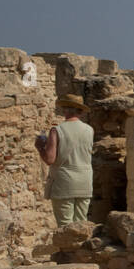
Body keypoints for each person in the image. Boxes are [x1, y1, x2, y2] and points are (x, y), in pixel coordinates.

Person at [37, 94, 95, 226]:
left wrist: (40, 147)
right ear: (80, 111)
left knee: (65, 226)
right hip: (85, 181)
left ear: (65, 109)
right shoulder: (89, 130)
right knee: (81, 223)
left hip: (64, 182)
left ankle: (68, 247)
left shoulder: (57, 130)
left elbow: (50, 159)